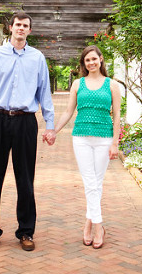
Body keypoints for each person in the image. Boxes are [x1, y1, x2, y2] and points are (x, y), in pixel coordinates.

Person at [0, 11, 55, 252]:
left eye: (25, 26)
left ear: (29, 31)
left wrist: (50, 125)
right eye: (18, 25)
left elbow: (45, 93)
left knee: (25, 179)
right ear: (10, 28)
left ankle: (26, 232)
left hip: (25, 123)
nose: (21, 28)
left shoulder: (37, 58)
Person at [45, 45, 121, 249]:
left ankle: (90, 223)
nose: (91, 63)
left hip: (104, 138)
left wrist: (115, 142)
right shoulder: (78, 84)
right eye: (87, 60)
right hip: (81, 138)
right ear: (84, 63)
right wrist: (53, 130)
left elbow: (117, 117)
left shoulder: (112, 85)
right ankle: (98, 226)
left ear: (101, 60)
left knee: (96, 182)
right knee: (90, 182)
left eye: (94, 59)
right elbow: (68, 112)